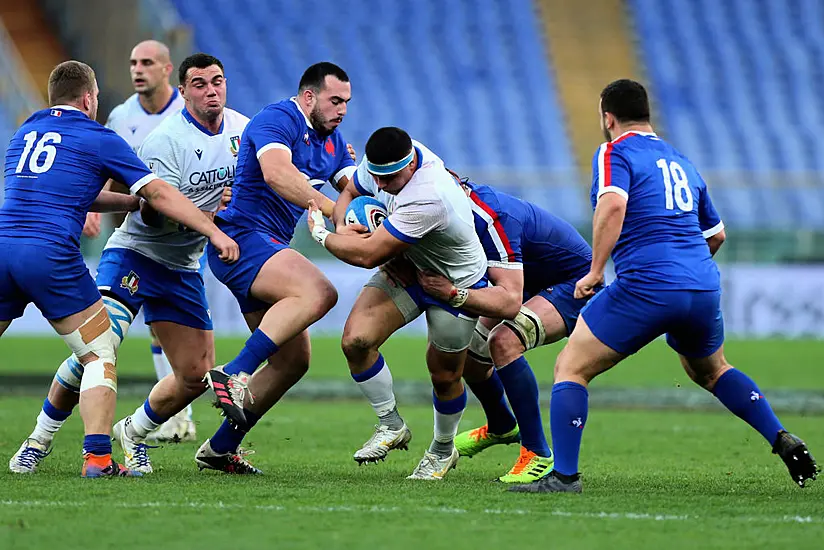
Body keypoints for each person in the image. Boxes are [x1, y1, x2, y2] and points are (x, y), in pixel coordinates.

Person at [509, 79, 819, 494]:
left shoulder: (613, 151)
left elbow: (613, 203)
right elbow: (717, 235)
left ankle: (564, 476)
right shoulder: (681, 160)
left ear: (608, 117)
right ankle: (780, 435)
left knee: (571, 367)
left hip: (648, 283)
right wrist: (685, 274)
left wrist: (596, 270)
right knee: (711, 371)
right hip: (703, 285)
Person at [9, 53, 248, 475]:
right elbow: (154, 208)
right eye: (200, 83)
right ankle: (41, 440)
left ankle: (132, 432)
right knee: (100, 348)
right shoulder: (159, 139)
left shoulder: (242, 130)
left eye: (218, 81)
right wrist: (213, 225)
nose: (211, 90)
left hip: (183, 265)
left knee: (195, 375)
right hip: (134, 254)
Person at [308, 127, 515, 480]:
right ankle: (391, 425)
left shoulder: (428, 195)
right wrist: (343, 224)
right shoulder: (386, 161)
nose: (383, 185)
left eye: (390, 178)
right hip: (409, 266)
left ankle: (443, 449)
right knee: (356, 341)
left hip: (453, 282)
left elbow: (369, 256)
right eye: (378, 176)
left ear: (411, 165)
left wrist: (323, 234)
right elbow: (351, 191)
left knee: (444, 373)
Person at [196, 62, 355, 474]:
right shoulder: (278, 118)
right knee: (320, 292)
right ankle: (234, 372)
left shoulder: (333, 142)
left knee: (293, 361)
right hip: (243, 240)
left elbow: (354, 192)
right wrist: (328, 208)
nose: (341, 110)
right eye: (334, 100)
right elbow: (276, 173)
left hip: (266, 248)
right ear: (308, 97)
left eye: (346, 103)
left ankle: (217, 448)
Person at [414, 173, 597, 483]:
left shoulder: (491, 216)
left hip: (573, 284)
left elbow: (508, 297)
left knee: (503, 342)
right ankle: (501, 425)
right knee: (471, 355)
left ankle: (537, 453)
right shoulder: (450, 214)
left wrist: (452, 294)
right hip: (531, 284)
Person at [90, 39, 195, 442]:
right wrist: (88, 210)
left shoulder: (186, 114)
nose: (138, 69)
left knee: (163, 328)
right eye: (133, 62)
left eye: (147, 62)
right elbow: (104, 169)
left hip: (181, 241)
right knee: (112, 331)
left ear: (168, 69)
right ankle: (174, 417)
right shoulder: (121, 116)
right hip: (134, 236)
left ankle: (176, 416)